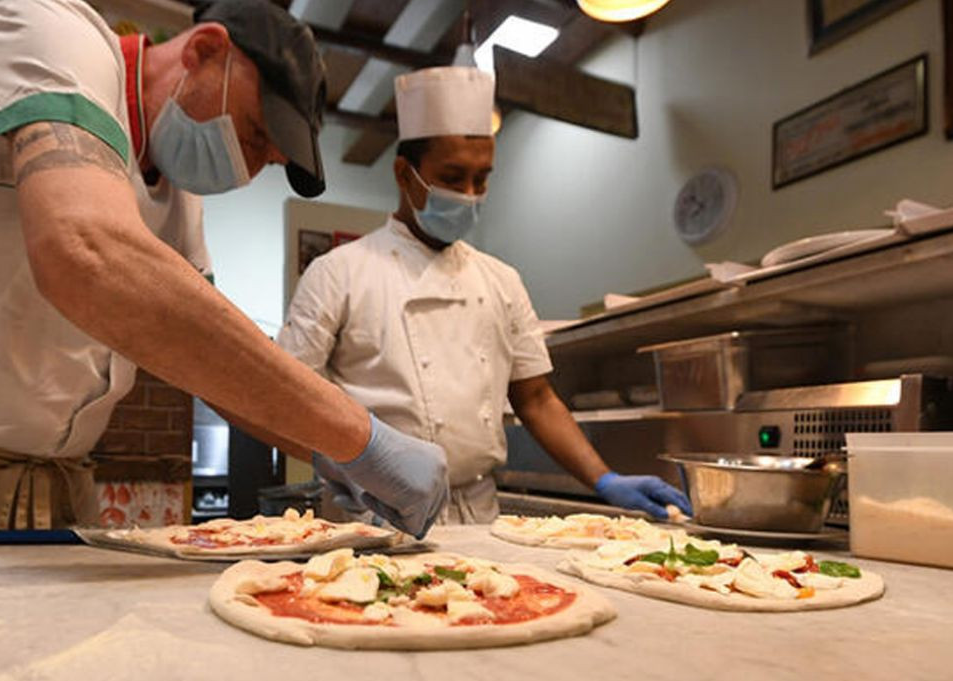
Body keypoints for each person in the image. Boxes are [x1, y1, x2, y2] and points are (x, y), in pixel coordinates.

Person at [0, 0, 447, 536]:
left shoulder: (178, 201)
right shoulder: (54, 38)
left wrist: (323, 445)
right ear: (206, 50)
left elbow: (213, 362)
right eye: (255, 134)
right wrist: (359, 435)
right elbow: (84, 252)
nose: (251, 165)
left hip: (54, 490)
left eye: (267, 159)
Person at [278, 66, 692, 524]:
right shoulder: (339, 273)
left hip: (480, 516)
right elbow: (288, 395)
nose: (470, 195)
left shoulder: (501, 280)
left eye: (482, 179)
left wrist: (604, 479)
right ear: (403, 173)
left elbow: (536, 398)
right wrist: (346, 467)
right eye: (453, 177)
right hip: (371, 514)